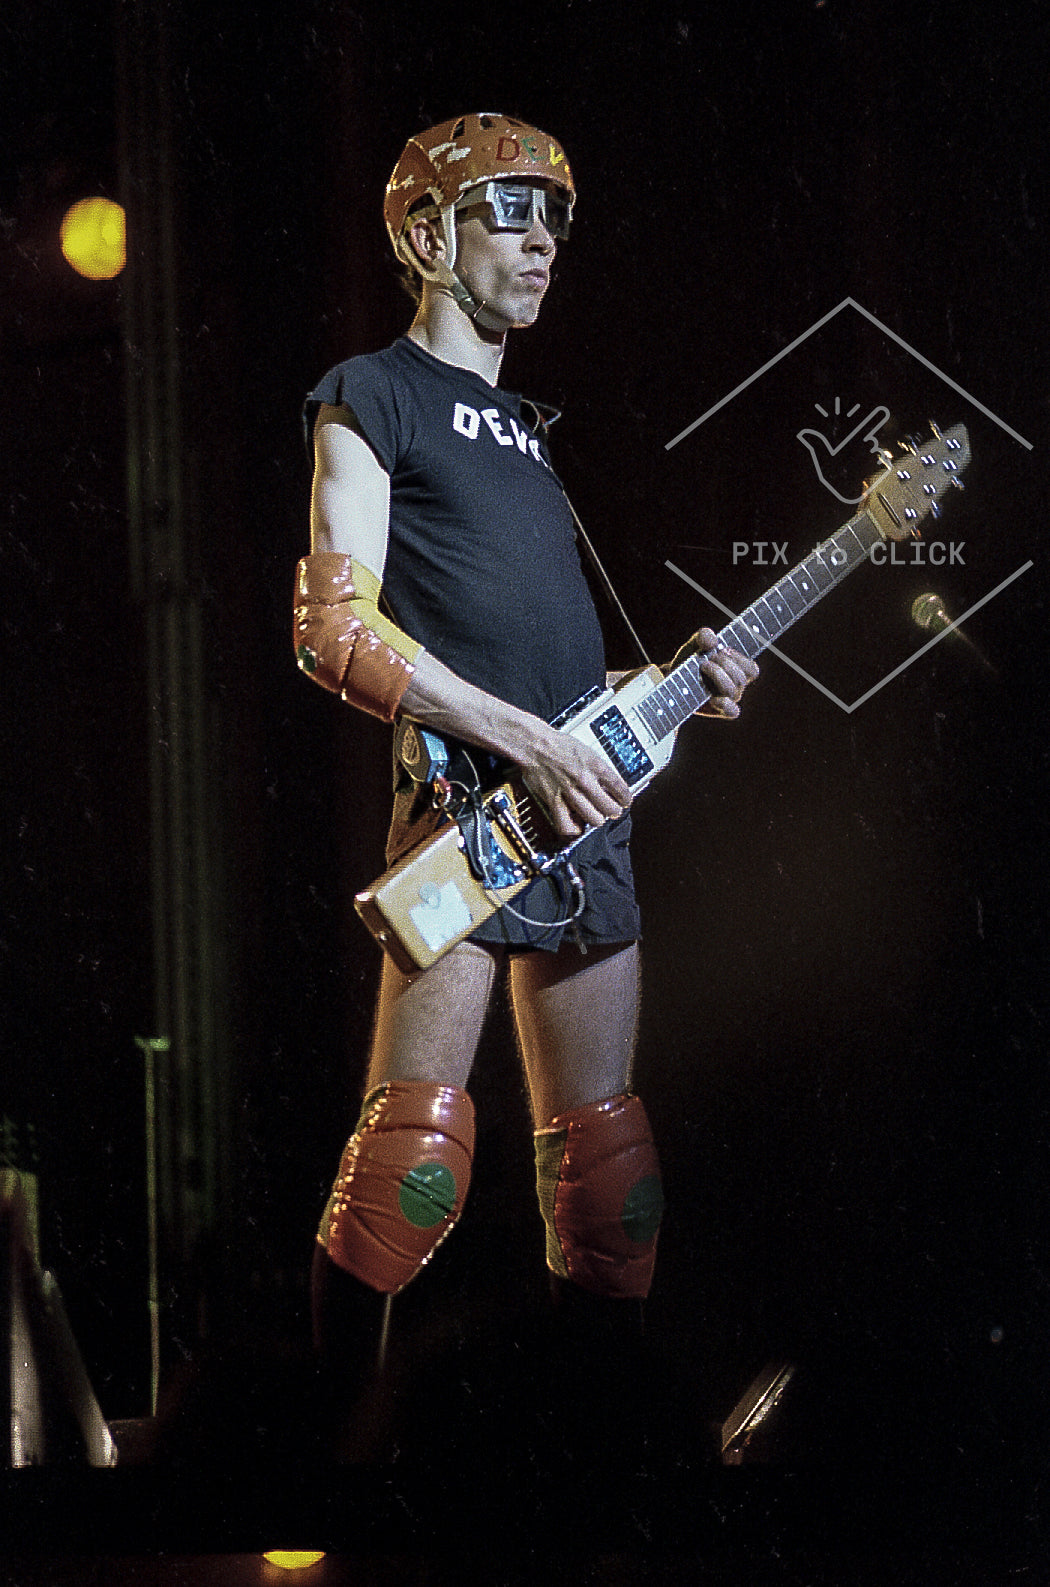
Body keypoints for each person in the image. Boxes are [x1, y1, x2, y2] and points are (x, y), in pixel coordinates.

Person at [294, 112, 757, 1428]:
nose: (544, 238)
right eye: (510, 210)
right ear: (427, 236)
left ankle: (598, 1478)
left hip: (579, 808)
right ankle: (323, 1465)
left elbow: (543, 655)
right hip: (469, 806)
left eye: (555, 215)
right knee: (411, 1162)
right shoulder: (370, 391)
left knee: (608, 1178)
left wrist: (668, 689)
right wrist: (527, 743)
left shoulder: (526, 429)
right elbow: (333, 630)